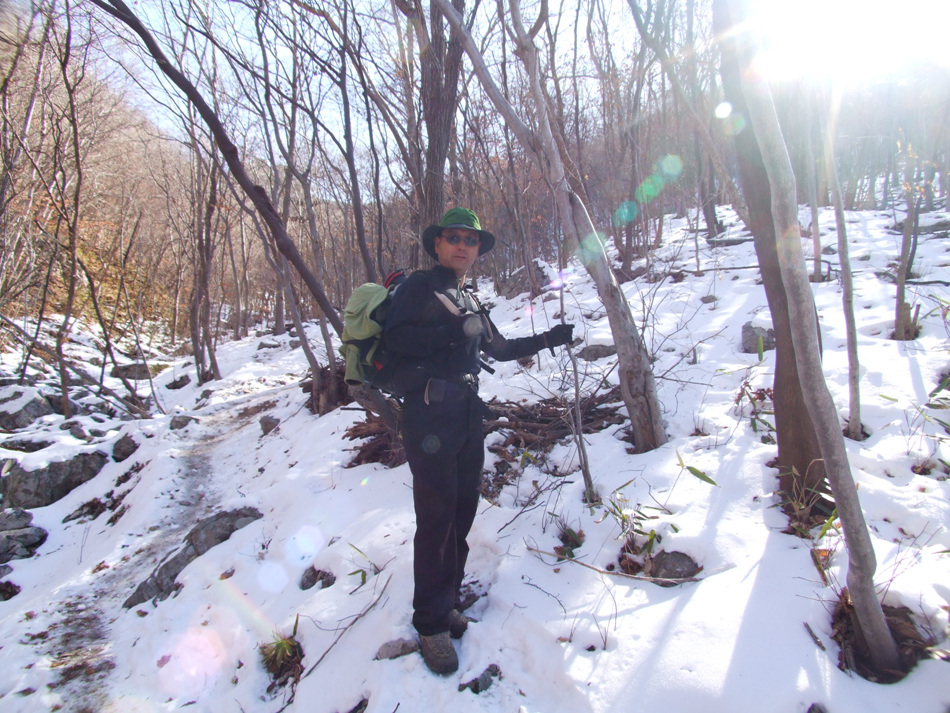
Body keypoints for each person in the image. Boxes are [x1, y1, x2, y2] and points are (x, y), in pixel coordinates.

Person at [384, 207, 575, 674]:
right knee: (435, 518)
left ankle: (448, 600)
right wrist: (448, 337)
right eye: (454, 238)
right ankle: (429, 623)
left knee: (462, 512)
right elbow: (394, 343)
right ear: (437, 245)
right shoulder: (418, 288)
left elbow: (501, 349)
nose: (463, 247)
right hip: (428, 415)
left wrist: (550, 338)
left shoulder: (468, 297)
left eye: (471, 241)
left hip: (467, 414)